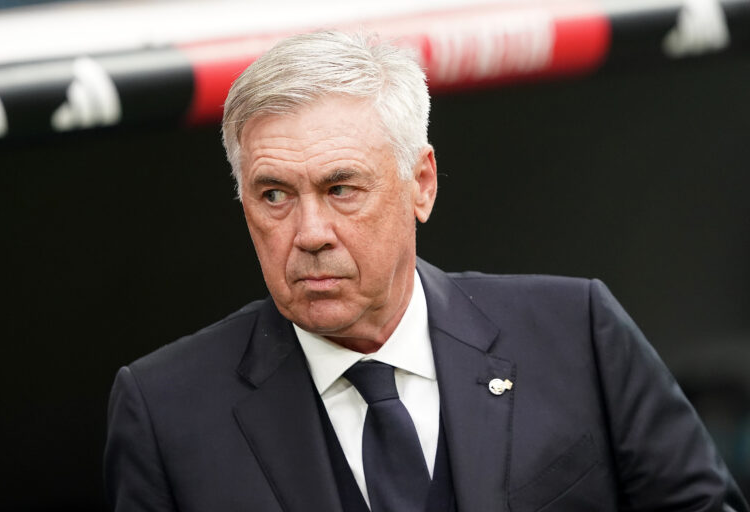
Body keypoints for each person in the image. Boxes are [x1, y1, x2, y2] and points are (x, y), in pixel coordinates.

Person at [104, 31, 748, 512]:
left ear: (421, 184)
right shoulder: (166, 413)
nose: (309, 234)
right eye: (273, 195)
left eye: (342, 187)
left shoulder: (575, 332)